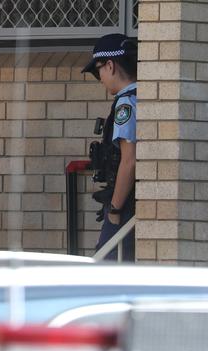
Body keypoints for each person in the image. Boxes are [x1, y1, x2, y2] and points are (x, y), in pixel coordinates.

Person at [82, 33, 137, 261]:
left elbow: (129, 160)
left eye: (98, 71)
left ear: (111, 65)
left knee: (106, 266)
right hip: (132, 202)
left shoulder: (126, 104)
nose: (100, 78)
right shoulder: (144, 96)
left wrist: (114, 208)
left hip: (125, 204)